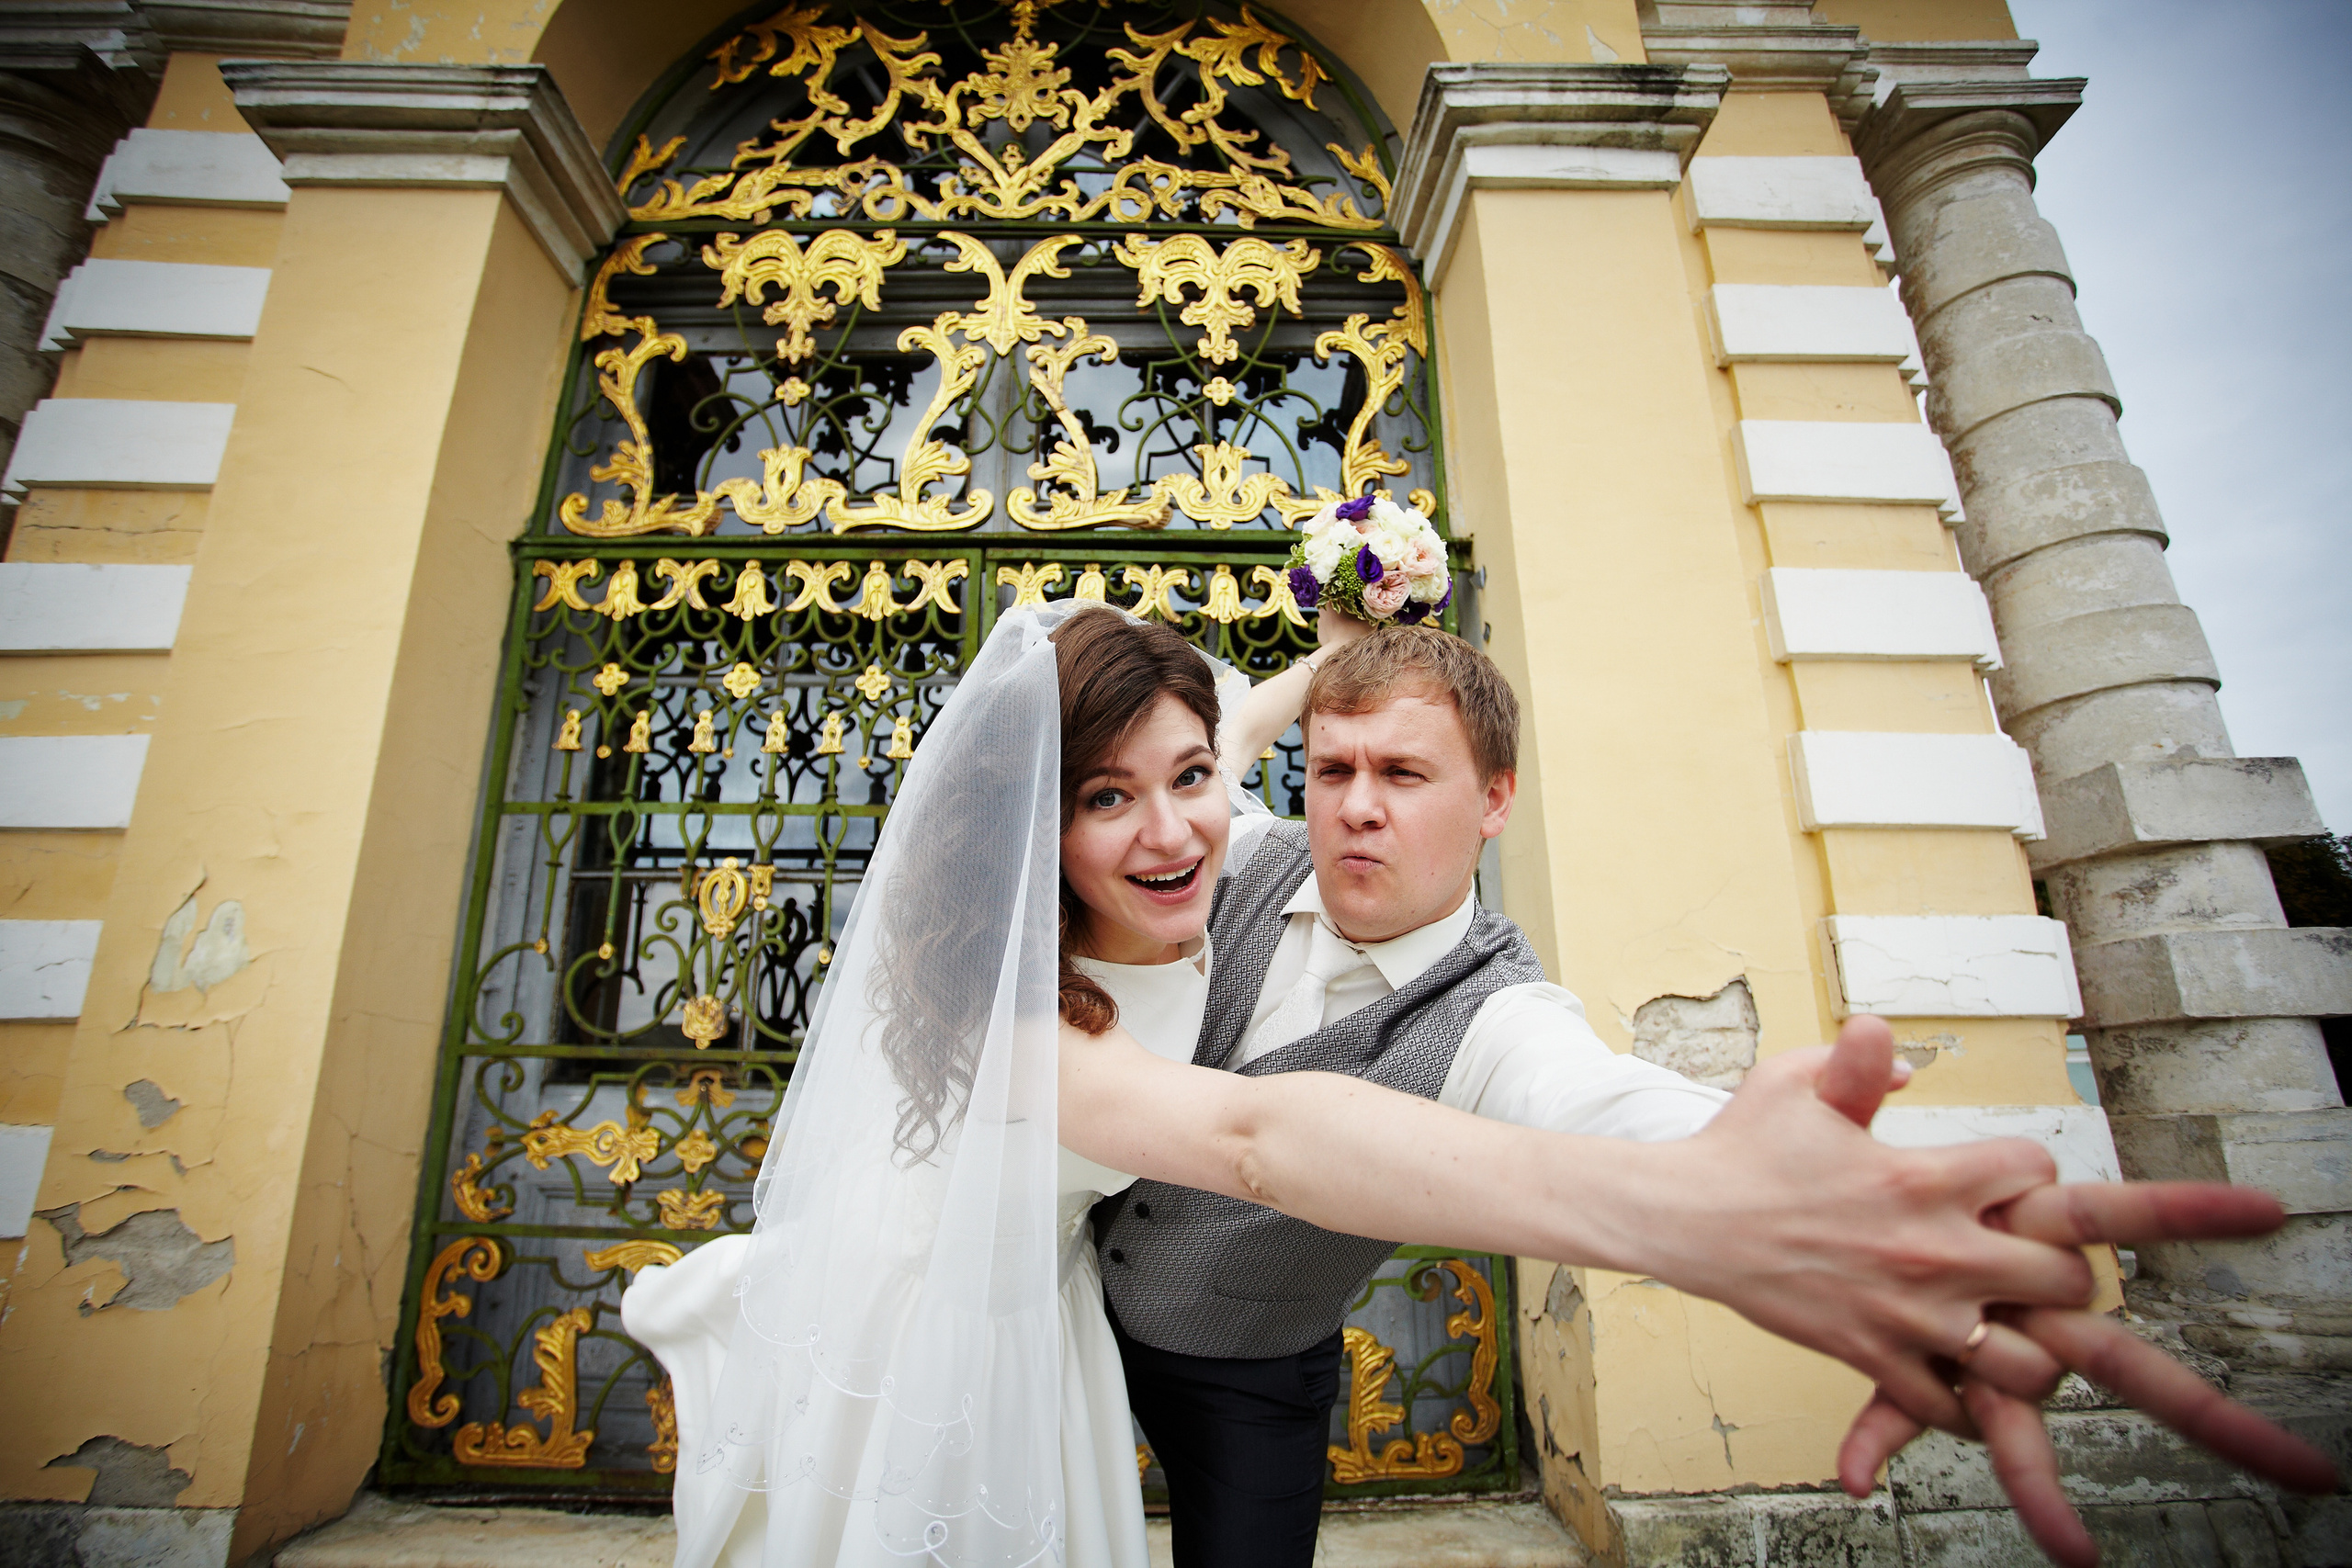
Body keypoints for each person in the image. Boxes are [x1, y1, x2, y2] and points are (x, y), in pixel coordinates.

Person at [626, 603, 2330, 1568]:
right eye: (1335, 768)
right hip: (992, 1316)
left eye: (1408, 775)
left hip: (1242, 1365)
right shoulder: (1176, 880)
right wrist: (1328, 658)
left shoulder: (1499, 1007)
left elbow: (1589, 1100)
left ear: (1497, 801)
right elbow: (1244, 1124)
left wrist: (1712, 1185)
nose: (1355, 806)